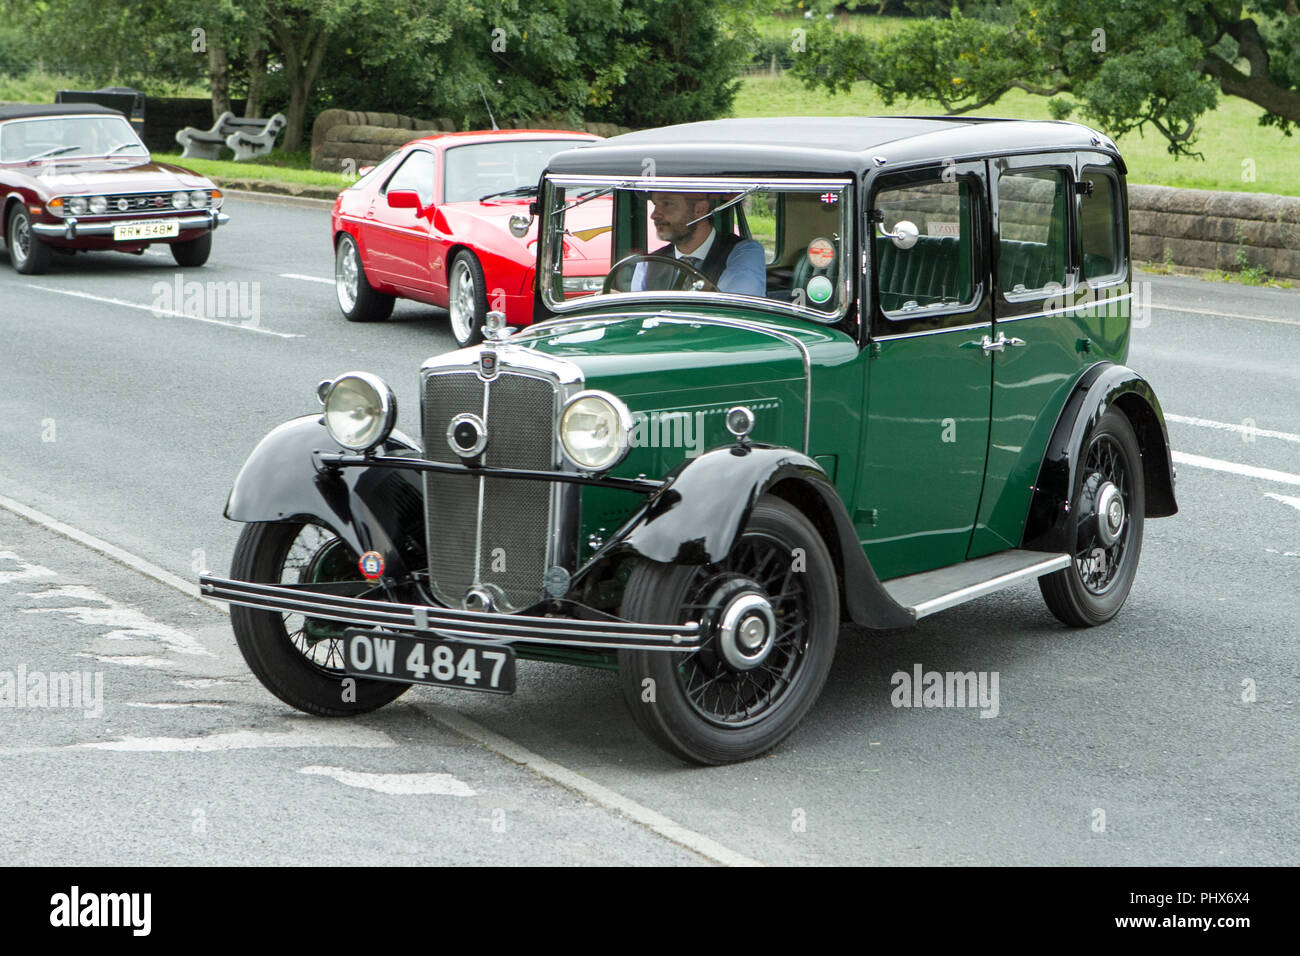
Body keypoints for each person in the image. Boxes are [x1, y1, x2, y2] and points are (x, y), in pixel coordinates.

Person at [631, 192, 766, 296]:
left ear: (700, 210)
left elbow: (734, 312)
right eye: (655, 205)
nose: (654, 215)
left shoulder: (744, 252)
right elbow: (636, 316)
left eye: (667, 204)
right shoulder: (648, 264)